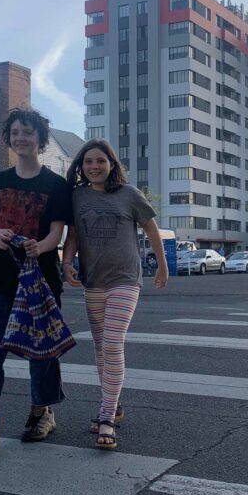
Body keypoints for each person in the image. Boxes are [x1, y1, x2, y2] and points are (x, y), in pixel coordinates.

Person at [0, 107, 72, 454]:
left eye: (28, 133)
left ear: (41, 139)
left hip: (40, 278)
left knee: (42, 348)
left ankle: (42, 412)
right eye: (16, 133)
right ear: (9, 139)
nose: (21, 138)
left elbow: (57, 234)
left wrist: (40, 247)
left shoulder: (55, 184)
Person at [62, 139, 167, 449]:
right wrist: (66, 262)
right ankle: (114, 403)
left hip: (125, 278)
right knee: (99, 347)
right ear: (81, 167)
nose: (94, 166)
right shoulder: (77, 197)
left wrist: (162, 267)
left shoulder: (129, 194)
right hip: (93, 280)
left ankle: (106, 416)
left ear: (112, 164)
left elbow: (151, 229)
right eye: (88, 162)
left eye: (101, 161)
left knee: (112, 342)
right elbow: (74, 236)